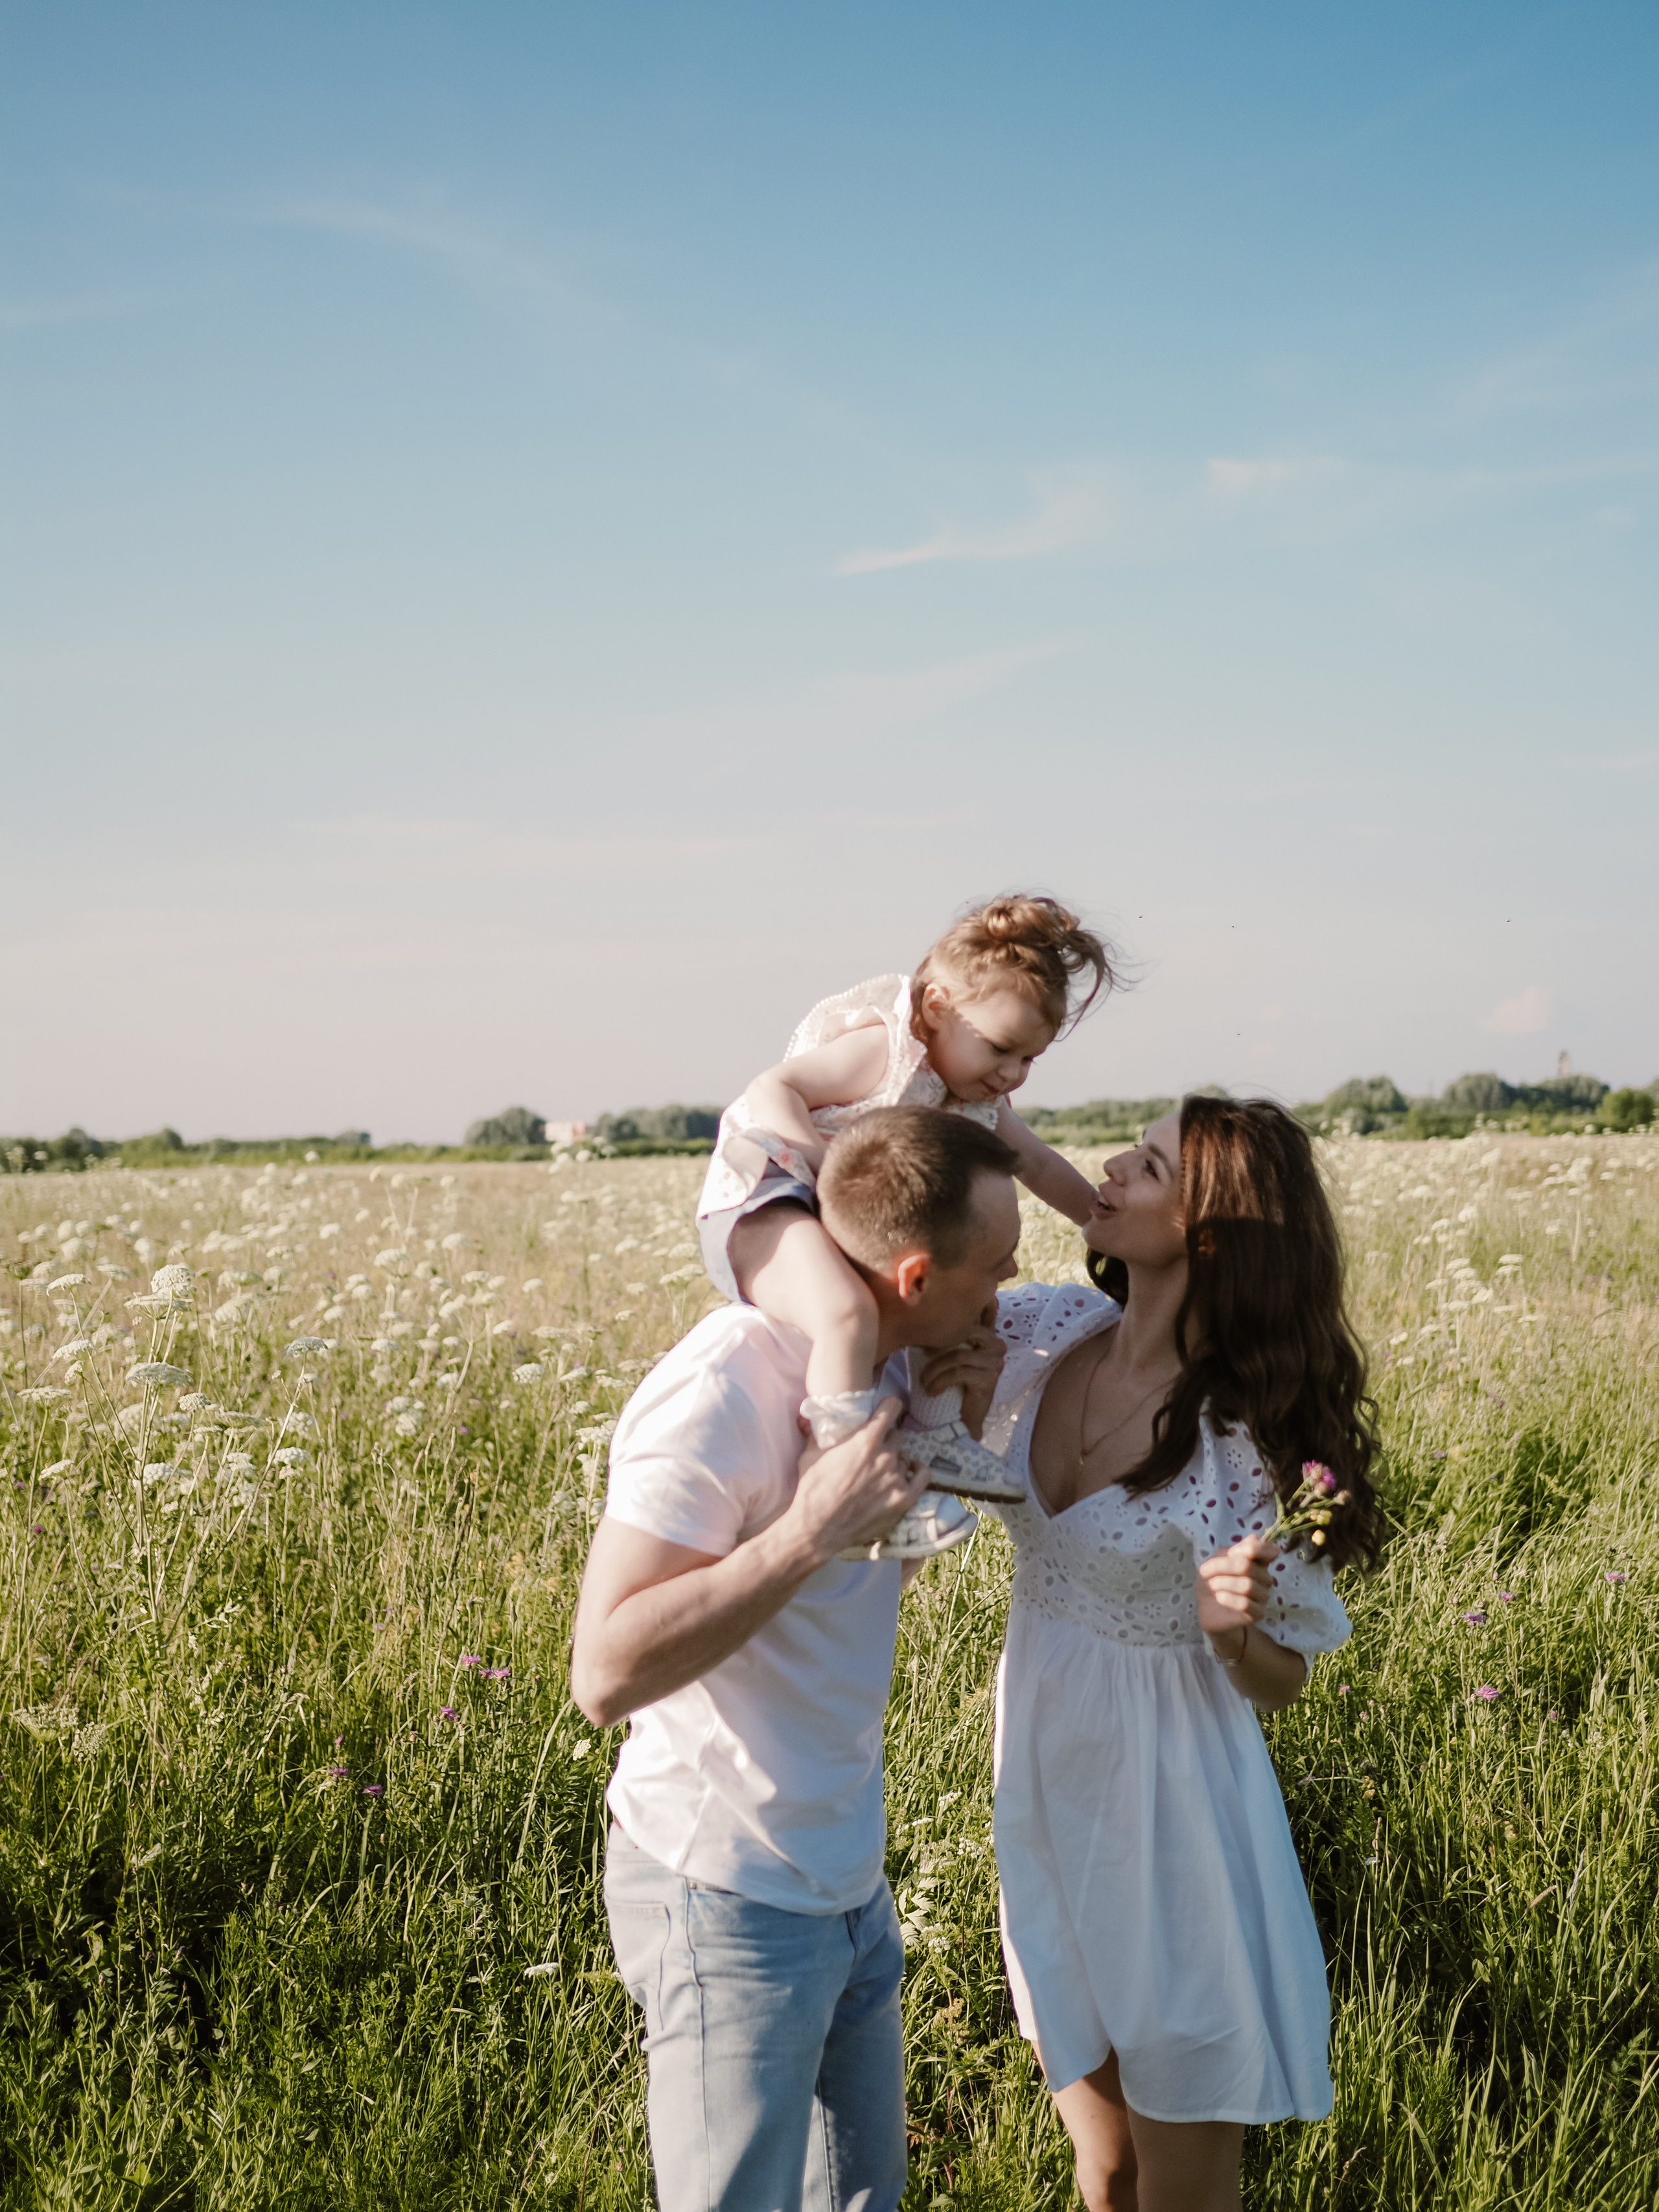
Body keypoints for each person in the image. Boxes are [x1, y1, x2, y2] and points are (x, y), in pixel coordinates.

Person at [571, 1106, 1022, 2212]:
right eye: (998, 1266)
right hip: (724, 1888)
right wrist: (805, 1529)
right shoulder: (725, 1383)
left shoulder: (895, 1376)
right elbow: (605, 1669)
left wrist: (949, 1423)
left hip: (846, 1883)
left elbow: (856, 1594)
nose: (1009, 1292)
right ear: (914, 1273)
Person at [976, 1095, 1386, 2212]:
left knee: (1185, 2191)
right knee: (1104, 2169)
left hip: (1172, 1823)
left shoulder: (1239, 1443)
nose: (1109, 1164)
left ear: (1208, 1232)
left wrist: (1233, 1633)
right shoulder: (1048, 1332)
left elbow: (1284, 1679)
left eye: (1147, 1163)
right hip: (1048, 1794)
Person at [697, 892, 1116, 1557]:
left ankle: (936, 1435)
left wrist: (1101, 1220)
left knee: (970, 1308)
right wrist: (820, 1166)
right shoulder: (885, 1050)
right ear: (936, 1007)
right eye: (1001, 1049)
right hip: (765, 1195)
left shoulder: (976, 1093)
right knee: (844, 1314)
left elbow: (1033, 1161)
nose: (1011, 1075)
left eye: (1028, 1060)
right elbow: (771, 1090)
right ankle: (838, 1474)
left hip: (847, 1213)